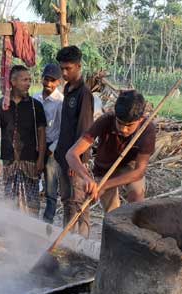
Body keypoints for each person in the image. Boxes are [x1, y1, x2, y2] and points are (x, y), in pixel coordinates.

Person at [66, 90, 156, 214]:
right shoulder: (105, 121)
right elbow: (71, 154)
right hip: (104, 169)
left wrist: (105, 185)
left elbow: (139, 171)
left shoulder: (148, 130)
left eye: (129, 125)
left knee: (137, 200)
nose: (123, 129)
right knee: (112, 214)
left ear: (140, 120)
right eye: (120, 123)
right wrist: (87, 177)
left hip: (130, 167)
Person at [0, 65, 47, 216]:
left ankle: (31, 229)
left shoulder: (36, 106)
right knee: (10, 200)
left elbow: (41, 133)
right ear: (13, 82)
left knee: (32, 201)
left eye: (29, 80)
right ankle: (12, 231)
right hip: (9, 160)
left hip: (30, 160)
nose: (28, 83)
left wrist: (41, 158)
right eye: (24, 80)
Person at [53, 45, 94, 237]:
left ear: (78, 66)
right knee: (67, 200)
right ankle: (67, 238)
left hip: (75, 160)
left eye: (68, 68)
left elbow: (84, 131)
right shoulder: (68, 90)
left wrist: (75, 161)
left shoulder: (84, 94)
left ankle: (82, 242)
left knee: (79, 202)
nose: (63, 72)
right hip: (64, 156)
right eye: (62, 68)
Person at [32, 64, 63, 224]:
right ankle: (32, 217)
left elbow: (63, 129)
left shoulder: (60, 102)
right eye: (46, 79)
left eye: (52, 81)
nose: (48, 84)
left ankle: (47, 220)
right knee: (32, 182)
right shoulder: (35, 99)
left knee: (51, 187)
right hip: (36, 147)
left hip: (51, 149)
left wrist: (51, 149)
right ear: (42, 79)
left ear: (58, 82)